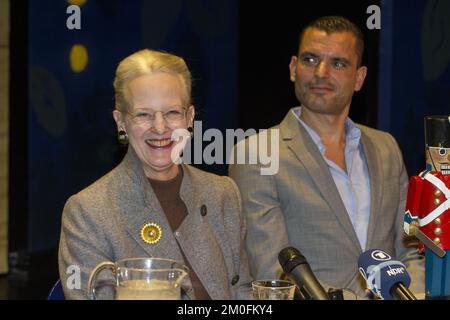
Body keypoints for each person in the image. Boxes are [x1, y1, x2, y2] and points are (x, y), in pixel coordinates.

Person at [229, 16, 424, 299]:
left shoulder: (386, 148)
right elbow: (272, 272)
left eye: (338, 63)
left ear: (359, 78)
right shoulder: (257, 153)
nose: (321, 72)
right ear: (293, 68)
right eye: (310, 60)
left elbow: (411, 251)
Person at [58, 49, 251, 299]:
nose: (160, 128)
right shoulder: (87, 212)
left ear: (189, 118)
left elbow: (244, 293)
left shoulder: (224, 193)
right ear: (121, 122)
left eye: (172, 112)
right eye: (143, 114)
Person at [404, 115, 450, 298]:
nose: (447, 157)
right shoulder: (422, 180)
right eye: (441, 152)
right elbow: (412, 205)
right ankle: (434, 294)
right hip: (433, 237)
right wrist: (410, 221)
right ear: (428, 151)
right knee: (435, 271)